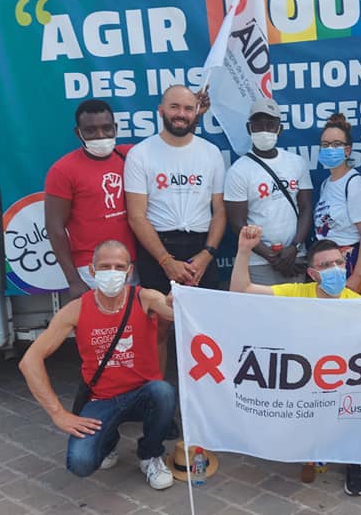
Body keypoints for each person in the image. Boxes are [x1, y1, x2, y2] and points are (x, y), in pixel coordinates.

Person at [230, 224, 361, 496]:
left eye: (339, 263)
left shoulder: (358, 304)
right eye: (326, 265)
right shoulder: (298, 293)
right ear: (312, 273)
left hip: (339, 380)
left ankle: (355, 461)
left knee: (358, 398)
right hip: (304, 377)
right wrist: (244, 251)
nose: (335, 269)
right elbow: (241, 290)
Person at [18, 240, 177, 490]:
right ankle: (108, 441)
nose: (112, 272)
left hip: (142, 393)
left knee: (163, 391)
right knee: (80, 463)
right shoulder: (76, 309)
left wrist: (175, 302)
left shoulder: (144, 298)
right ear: (92, 272)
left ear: (129, 271)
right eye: (105, 266)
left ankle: (150, 454)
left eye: (119, 266)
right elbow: (30, 360)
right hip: (102, 399)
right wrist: (58, 414)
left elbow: (171, 311)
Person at [124, 85, 226, 293]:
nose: (181, 114)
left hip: (202, 247)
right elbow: (136, 216)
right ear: (161, 110)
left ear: (196, 112)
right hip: (157, 249)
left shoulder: (211, 153)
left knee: (204, 322)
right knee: (160, 320)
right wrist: (165, 261)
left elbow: (220, 211)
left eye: (188, 109)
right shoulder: (140, 154)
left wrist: (206, 255)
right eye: (174, 107)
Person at [45, 100, 138, 300]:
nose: (100, 136)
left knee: (134, 325)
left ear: (115, 128)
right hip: (92, 268)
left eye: (106, 128)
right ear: (78, 133)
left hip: (133, 263)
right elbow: (54, 227)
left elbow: (172, 145)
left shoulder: (131, 156)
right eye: (90, 130)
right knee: (100, 329)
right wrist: (73, 280)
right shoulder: (62, 170)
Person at [224, 97, 314, 285]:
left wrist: (295, 247)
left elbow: (306, 208)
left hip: (295, 256)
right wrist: (272, 257)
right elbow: (237, 222)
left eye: (270, 125)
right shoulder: (238, 171)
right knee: (262, 314)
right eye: (258, 125)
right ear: (249, 129)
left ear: (279, 129)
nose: (264, 130)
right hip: (258, 262)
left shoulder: (297, 163)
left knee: (296, 312)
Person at [313, 114, 361, 292]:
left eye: (336, 144)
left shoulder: (355, 184)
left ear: (347, 151)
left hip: (348, 262)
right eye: (325, 145)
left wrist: (356, 275)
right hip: (325, 263)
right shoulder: (326, 184)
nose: (329, 148)